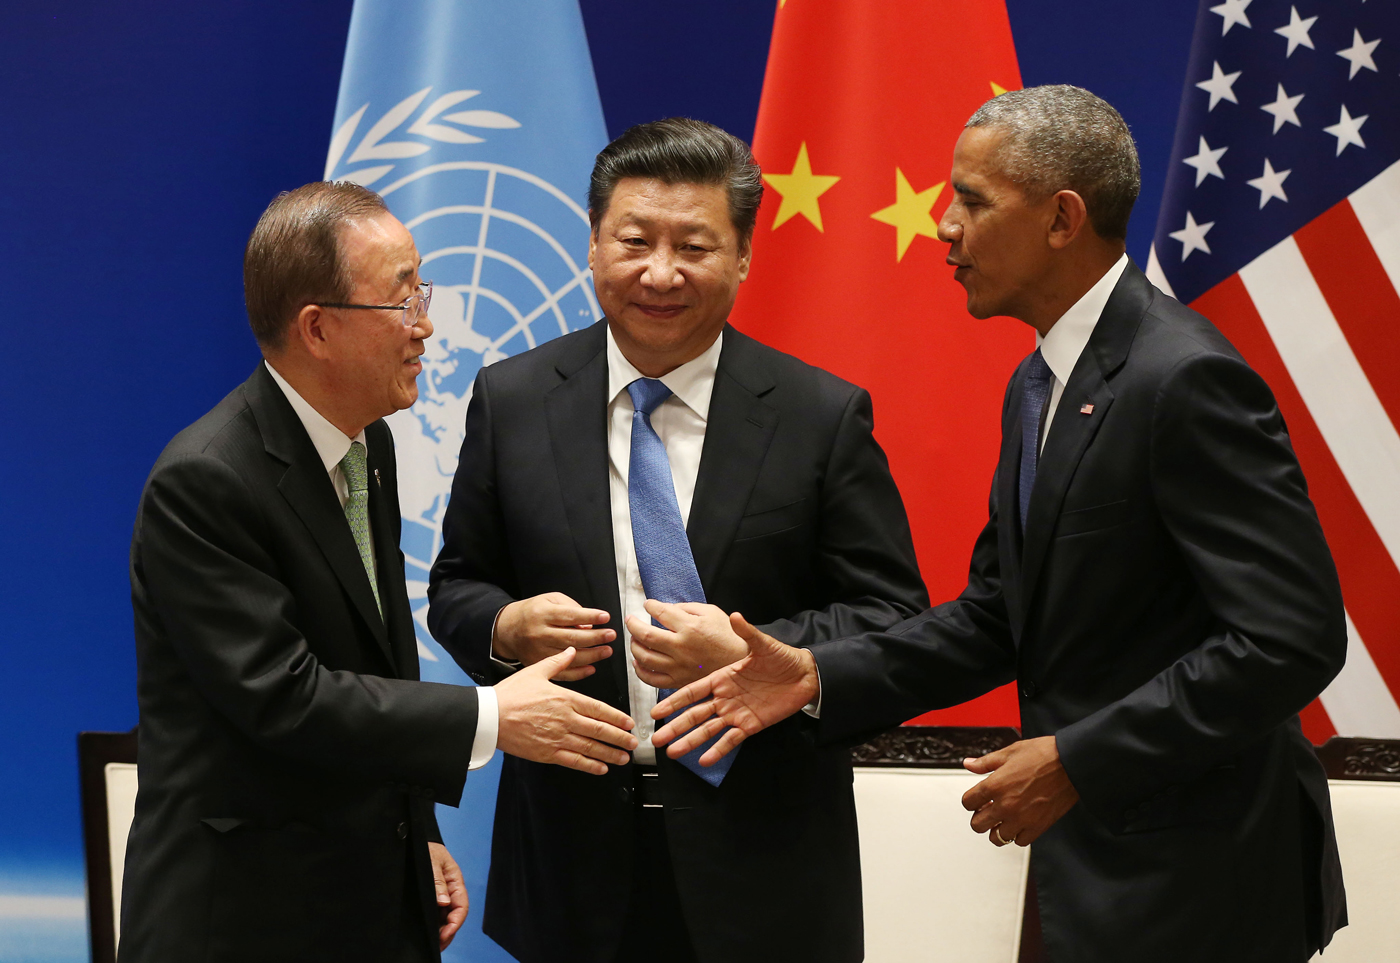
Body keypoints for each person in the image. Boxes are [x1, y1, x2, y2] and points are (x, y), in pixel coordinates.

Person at [652, 86, 1349, 963]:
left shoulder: (1183, 379)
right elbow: (996, 614)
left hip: (1205, 876)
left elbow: (1293, 638)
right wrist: (814, 675)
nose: (944, 226)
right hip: (1094, 873)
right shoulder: (1041, 380)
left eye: (972, 201)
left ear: (1062, 219)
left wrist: (1079, 760)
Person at [427, 117, 927, 963]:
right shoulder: (511, 401)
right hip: (571, 857)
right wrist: (505, 627)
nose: (660, 273)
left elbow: (893, 616)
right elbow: (459, 586)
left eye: (693, 246)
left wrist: (755, 651)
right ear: (592, 246)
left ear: (741, 258)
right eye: (634, 241)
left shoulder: (819, 416)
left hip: (766, 860)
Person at [121, 182, 638, 963]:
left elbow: (375, 656)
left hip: (366, 899)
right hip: (243, 917)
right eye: (402, 300)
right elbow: (284, 696)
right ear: (318, 329)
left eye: (421, 292)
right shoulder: (206, 481)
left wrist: (416, 830)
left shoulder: (369, 445)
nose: (426, 325)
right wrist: (492, 717)